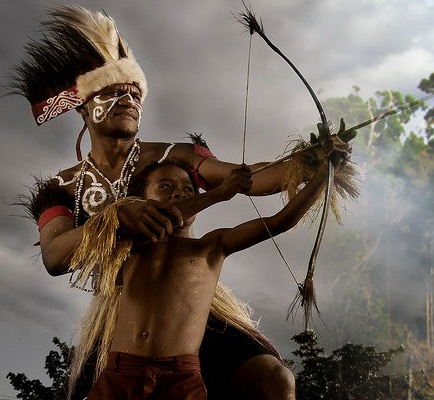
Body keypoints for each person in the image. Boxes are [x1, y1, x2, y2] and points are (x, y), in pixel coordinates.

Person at [11, 5, 356, 400]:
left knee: (272, 382)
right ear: (85, 104)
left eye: (134, 93)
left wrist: (310, 162)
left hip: (192, 306)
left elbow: (253, 180)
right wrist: (114, 216)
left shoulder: (175, 159)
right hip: (119, 319)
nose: (128, 100)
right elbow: (55, 257)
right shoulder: (61, 187)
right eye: (113, 92)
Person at [80, 155, 338, 400]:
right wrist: (219, 194)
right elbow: (162, 215)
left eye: (188, 190)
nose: (179, 193)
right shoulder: (130, 248)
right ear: (141, 200)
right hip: (122, 370)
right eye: (165, 187)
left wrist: (325, 174)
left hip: (180, 375)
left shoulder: (210, 247)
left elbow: (280, 221)